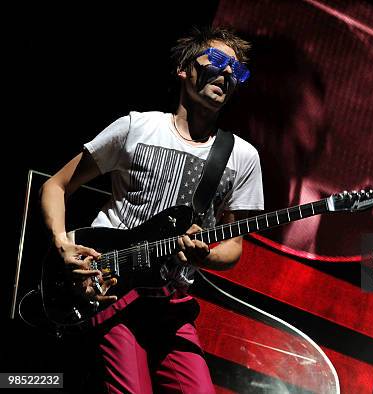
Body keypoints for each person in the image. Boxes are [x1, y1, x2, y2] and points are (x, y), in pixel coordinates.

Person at [39, 26, 264, 393]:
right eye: (219, 61)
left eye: (236, 71)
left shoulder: (243, 157)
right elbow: (56, 185)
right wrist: (63, 245)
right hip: (110, 283)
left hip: (173, 302)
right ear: (183, 69)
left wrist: (203, 254)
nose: (227, 73)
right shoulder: (137, 127)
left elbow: (234, 247)